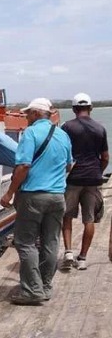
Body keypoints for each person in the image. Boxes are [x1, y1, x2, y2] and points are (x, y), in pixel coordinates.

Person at [0, 98, 72, 305]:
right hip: (58, 196)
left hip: (33, 196)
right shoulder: (63, 135)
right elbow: (68, 166)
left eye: (27, 114)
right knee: (51, 242)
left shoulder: (31, 133)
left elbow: (23, 166)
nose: (26, 118)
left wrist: (9, 193)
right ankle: (45, 287)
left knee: (25, 242)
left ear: (35, 114)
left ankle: (32, 290)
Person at [60, 93, 109, 271]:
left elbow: (62, 153)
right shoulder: (100, 128)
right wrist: (98, 172)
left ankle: (68, 253)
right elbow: (105, 157)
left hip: (73, 177)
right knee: (89, 219)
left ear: (73, 109)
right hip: (93, 179)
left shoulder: (67, 127)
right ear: (91, 108)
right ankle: (82, 258)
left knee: (67, 215)